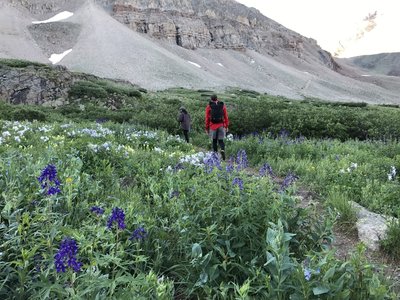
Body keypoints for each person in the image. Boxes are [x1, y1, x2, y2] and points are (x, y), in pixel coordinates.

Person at [205, 94, 229, 160]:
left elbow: (207, 118)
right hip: (221, 125)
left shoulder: (209, 106)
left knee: (214, 141)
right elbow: (226, 116)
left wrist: (206, 128)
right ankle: (222, 150)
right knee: (221, 141)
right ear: (217, 98)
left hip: (213, 126)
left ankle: (215, 156)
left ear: (211, 99)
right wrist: (226, 126)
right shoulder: (222, 105)